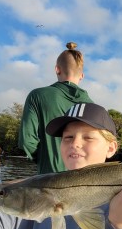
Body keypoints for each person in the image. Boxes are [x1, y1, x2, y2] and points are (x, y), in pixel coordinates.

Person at [18, 42, 93, 174]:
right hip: (82, 183)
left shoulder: (37, 95)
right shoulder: (93, 106)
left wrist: (44, 159)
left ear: (57, 69)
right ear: (82, 75)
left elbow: (27, 141)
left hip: (48, 179)